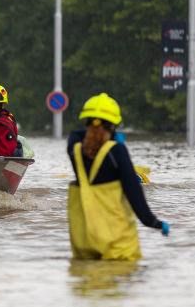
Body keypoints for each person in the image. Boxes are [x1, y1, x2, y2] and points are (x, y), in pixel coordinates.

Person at [66, 93, 170, 261]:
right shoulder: (117, 152)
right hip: (117, 246)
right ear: (113, 125)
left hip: (84, 244)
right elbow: (134, 194)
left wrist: (94, 124)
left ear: (86, 121)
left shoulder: (74, 150)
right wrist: (153, 222)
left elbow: (75, 134)